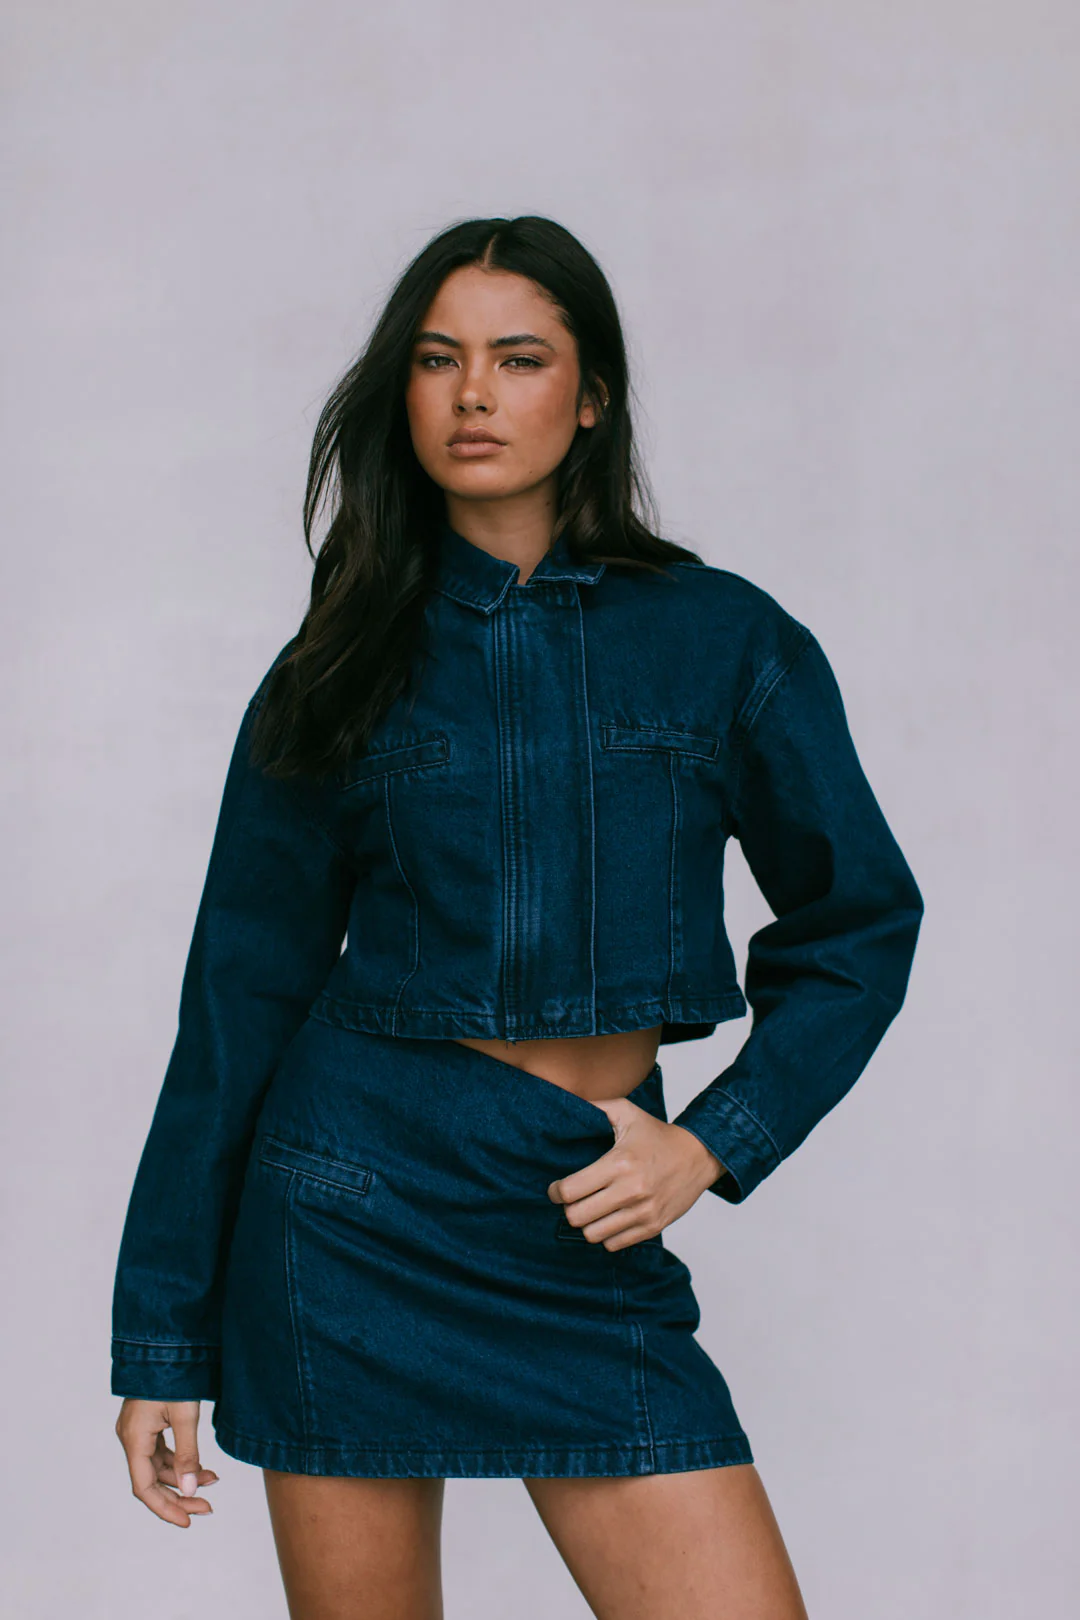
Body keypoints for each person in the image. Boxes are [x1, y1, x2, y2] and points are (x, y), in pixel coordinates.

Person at [111, 214, 923, 1619]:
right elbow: (235, 1004)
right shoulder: (339, 662)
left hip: (584, 1215)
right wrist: (162, 1340)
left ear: (591, 395)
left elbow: (859, 923)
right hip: (353, 1210)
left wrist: (712, 1144)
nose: (473, 394)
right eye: (438, 361)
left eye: (519, 358)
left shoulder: (723, 638)